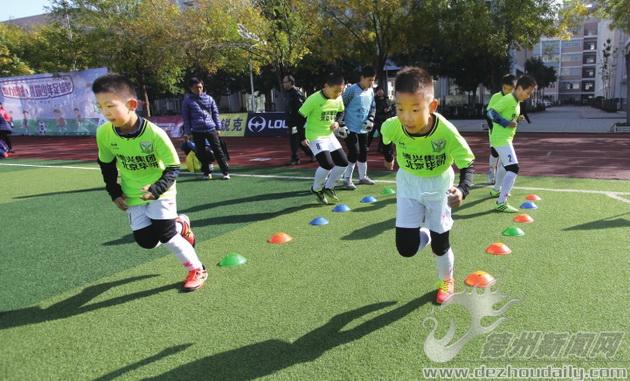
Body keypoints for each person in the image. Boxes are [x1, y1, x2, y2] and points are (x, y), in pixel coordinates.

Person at [93, 73, 208, 292]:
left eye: (110, 105)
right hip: (132, 193)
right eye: (100, 106)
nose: (105, 112)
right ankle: (181, 224)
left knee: (166, 236)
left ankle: (197, 269)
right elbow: (106, 165)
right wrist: (114, 192)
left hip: (161, 191)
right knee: (146, 241)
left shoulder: (155, 134)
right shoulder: (104, 133)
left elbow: (174, 167)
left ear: (132, 104)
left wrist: (156, 189)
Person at [381, 67, 475, 304]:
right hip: (408, 187)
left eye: (415, 109)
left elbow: (468, 163)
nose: (406, 117)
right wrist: (389, 157)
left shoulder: (447, 133)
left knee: (441, 246)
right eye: (400, 109)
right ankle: (427, 234)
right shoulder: (392, 126)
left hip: (438, 189)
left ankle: (446, 280)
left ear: (432, 106)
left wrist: (462, 190)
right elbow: (386, 140)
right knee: (406, 249)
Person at [487, 75, 537, 212]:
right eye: (528, 93)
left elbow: (509, 117)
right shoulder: (508, 99)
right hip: (500, 140)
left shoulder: (516, 102)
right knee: (514, 168)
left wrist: (517, 119)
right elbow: (490, 113)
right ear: (520, 88)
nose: (528, 96)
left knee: (505, 167)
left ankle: (496, 190)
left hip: (505, 139)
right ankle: (501, 202)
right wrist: (507, 123)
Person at [298, 71, 349, 205]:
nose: (338, 94)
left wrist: (338, 122)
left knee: (343, 163)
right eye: (336, 91)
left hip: (329, 134)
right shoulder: (313, 99)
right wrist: (301, 137)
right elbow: (298, 117)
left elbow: (341, 111)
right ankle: (316, 189)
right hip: (314, 135)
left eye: (341, 91)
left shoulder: (338, 98)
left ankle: (329, 187)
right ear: (326, 86)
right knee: (327, 164)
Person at [181, 77, 229, 180]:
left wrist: (218, 127)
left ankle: (225, 172)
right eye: (195, 88)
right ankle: (206, 172)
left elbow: (215, 113)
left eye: (200, 87)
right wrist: (187, 132)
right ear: (191, 88)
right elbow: (186, 118)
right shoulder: (187, 101)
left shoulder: (209, 99)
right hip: (196, 130)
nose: (198, 89)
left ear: (202, 87)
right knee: (201, 152)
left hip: (211, 128)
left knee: (218, 150)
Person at [340, 66, 376, 189]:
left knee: (364, 151)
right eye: (369, 80)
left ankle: (362, 177)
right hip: (350, 127)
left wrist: (371, 118)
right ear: (362, 78)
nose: (371, 83)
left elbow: (373, 107)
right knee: (354, 152)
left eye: (373, 80)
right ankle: (347, 179)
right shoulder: (351, 90)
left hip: (363, 128)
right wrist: (341, 123)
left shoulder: (371, 91)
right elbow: (341, 106)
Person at [484, 74, 515, 184]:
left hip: (507, 133)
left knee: (503, 156)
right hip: (495, 132)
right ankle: (491, 170)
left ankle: (500, 178)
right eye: (505, 88)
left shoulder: (514, 99)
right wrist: (492, 129)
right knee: (495, 153)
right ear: (502, 86)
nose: (507, 91)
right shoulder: (496, 97)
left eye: (510, 89)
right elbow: (488, 113)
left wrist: (518, 118)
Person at [282, 74, 313, 165]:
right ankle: (311, 154)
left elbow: (301, 109)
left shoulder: (296, 93)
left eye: (285, 82)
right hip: (292, 121)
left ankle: (295, 158)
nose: (283, 84)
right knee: (299, 141)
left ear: (291, 82)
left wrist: (298, 121)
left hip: (298, 121)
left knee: (295, 140)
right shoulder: (289, 93)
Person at [367, 86, 393, 150]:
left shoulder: (387, 100)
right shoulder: (374, 100)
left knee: (382, 134)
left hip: (383, 119)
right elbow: (372, 109)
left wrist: (388, 109)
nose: (380, 92)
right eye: (378, 91)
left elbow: (391, 109)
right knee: (370, 134)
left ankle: (380, 148)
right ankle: (366, 146)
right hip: (374, 119)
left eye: (381, 91)